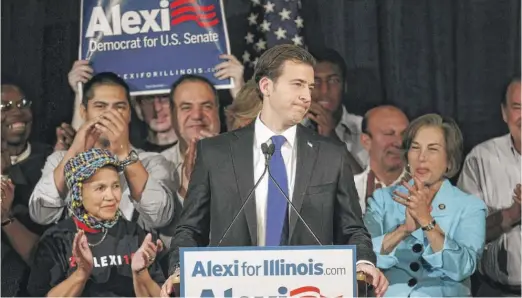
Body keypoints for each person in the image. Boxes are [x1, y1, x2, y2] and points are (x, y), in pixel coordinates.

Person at [161, 44, 388, 297]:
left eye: (309, 87)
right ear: (266, 87)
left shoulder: (330, 154)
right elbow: (190, 229)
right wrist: (180, 270)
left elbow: (353, 229)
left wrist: (364, 263)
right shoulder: (215, 153)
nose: (307, 96)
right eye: (297, 84)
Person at [29, 72, 176, 231]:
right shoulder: (59, 160)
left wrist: (123, 153)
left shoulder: (151, 162)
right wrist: (74, 151)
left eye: (119, 107)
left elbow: (161, 217)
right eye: (100, 106)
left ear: (129, 114)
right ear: (84, 112)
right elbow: (40, 214)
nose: (109, 115)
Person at [364, 114, 487, 297]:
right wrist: (403, 230)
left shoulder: (470, 207)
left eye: (433, 149)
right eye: (415, 148)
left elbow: (463, 267)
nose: (422, 157)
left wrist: (426, 221)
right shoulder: (382, 200)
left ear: (449, 160)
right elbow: (363, 256)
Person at [27, 148, 165, 297]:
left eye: (116, 186)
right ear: (78, 193)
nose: (111, 196)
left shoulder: (132, 233)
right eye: (100, 188)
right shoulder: (57, 240)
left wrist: (141, 273)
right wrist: (81, 273)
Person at [458, 77, 521, 296]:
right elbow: (463, 234)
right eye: (517, 107)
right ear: (504, 113)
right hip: (496, 291)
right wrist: (513, 213)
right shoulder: (480, 159)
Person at [1, 79, 54, 296]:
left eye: (23, 103)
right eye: (4, 106)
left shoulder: (50, 162)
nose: (18, 112)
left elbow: (47, 256)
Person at [309, 48, 368, 168]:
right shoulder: (288, 130)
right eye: (315, 81)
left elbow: (366, 185)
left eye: (333, 81)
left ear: (345, 86)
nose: (324, 91)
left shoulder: (366, 128)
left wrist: (332, 138)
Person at [354, 106, 409, 214]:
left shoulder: (428, 191)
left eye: (404, 134)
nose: (399, 142)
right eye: (389, 134)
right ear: (366, 141)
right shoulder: (347, 191)